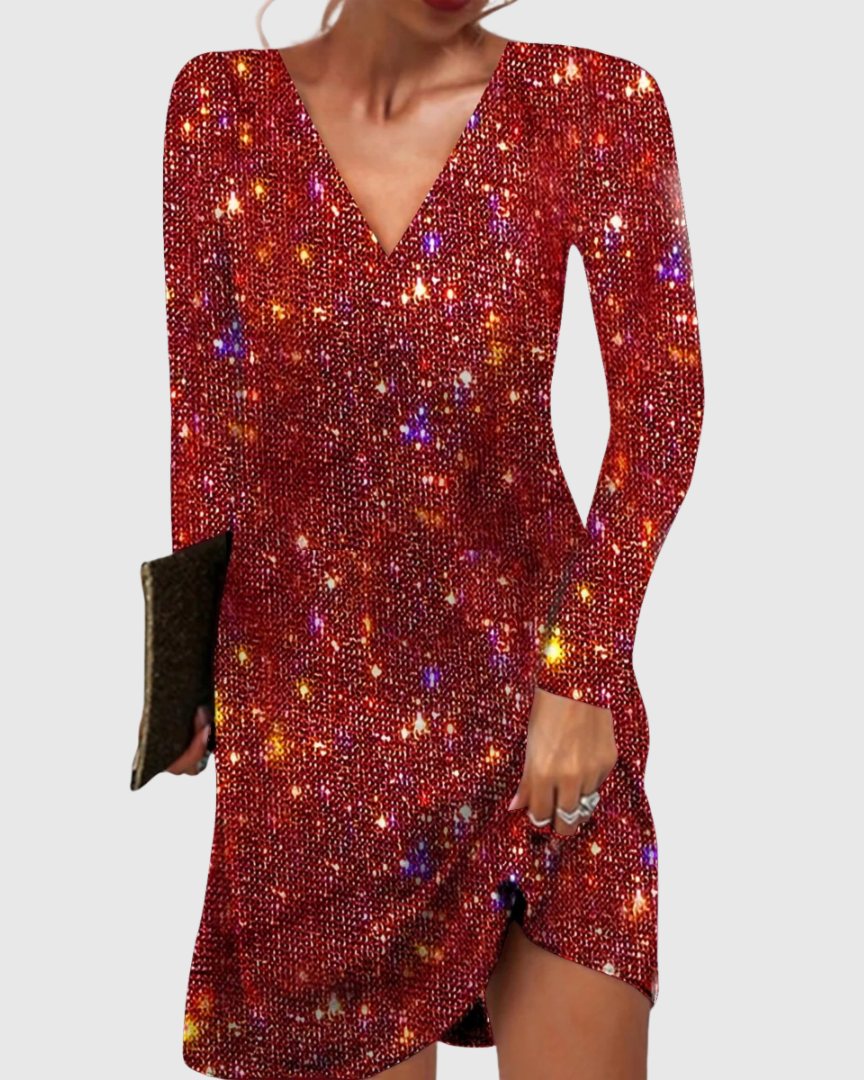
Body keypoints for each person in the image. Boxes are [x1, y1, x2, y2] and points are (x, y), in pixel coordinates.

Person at [151, 0, 705, 1077]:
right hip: (316, 749)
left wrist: (583, 670)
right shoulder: (218, 110)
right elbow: (209, 422)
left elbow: (662, 405)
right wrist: (182, 676)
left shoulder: (593, 105)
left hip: (543, 722)